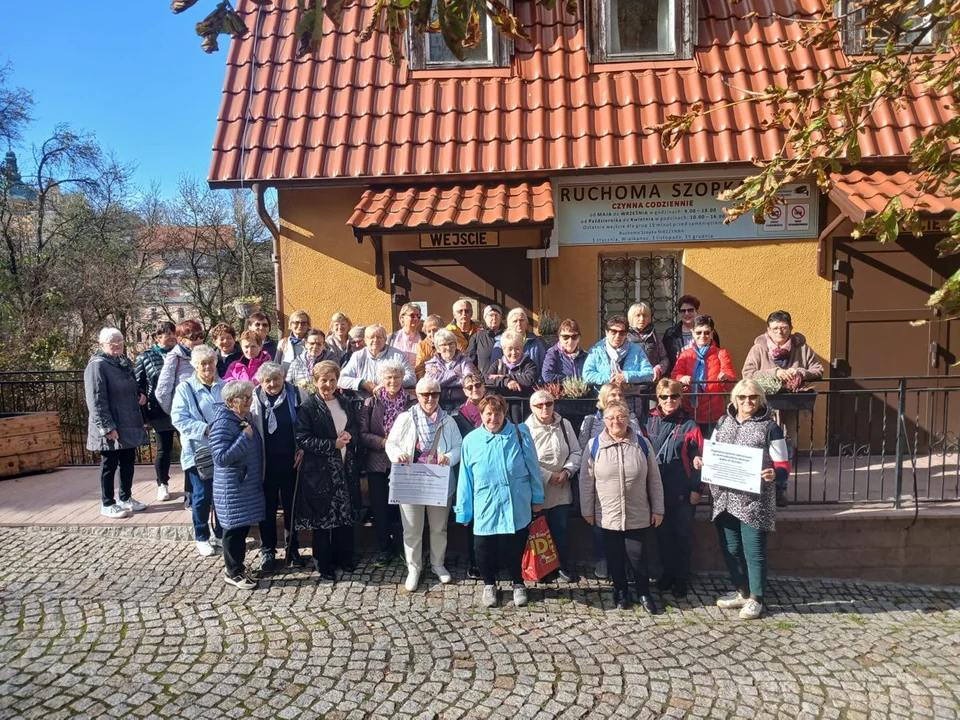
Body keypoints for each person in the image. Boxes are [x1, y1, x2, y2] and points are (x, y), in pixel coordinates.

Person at [694, 379, 790, 620]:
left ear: (760, 400)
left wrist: (774, 474)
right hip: (724, 497)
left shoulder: (770, 427)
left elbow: (783, 466)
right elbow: (711, 452)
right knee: (731, 548)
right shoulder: (723, 421)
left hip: (754, 500)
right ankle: (742, 591)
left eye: (753, 398)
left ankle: (757, 598)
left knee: (753, 550)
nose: (747, 402)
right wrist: (701, 462)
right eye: (742, 397)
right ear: (734, 399)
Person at [456, 394, 544, 608]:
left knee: (515, 544)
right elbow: (465, 478)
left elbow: (533, 466)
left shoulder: (520, 433)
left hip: (516, 500)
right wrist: (464, 510)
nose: (493, 418)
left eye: (498, 413)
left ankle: (518, 582)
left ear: (505, 413)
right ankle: (489, 584)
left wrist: (537, 497)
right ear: (481, 415)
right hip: (485, 501)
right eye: (488, 414)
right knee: (483, 546)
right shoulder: (470, 441)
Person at [580, 401, 664, 613]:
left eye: (621, 417)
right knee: (614, 556)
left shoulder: (642, 443)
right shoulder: (594, 445)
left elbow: (654, 479)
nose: (616, 421)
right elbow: (586, 481)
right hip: (607, 513)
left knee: (638, 556)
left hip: (637, 512)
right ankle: (621, 592)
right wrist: (587, 510)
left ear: (628, 419)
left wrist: (658, 508)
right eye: (611, 418)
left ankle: (644, 593)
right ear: (604, 421)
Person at [385, 377, 463, 591]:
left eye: (434, 394)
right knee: (411, 529)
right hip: (411, 479)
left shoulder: (448, 420)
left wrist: (448, 456)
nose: (430, 398)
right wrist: (398, 454)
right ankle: (414, 568)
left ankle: (438, 564)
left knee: (439, 527)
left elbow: (459, 446)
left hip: (438, 482)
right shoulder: (405, 418)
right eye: (425, 394)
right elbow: (391, 443)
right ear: (417, 396)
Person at [742, 310, 824, 507]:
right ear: (768, 330)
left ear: (790, 329)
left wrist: (800, 371)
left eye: (784, 328)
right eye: (775, 328)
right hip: (764, 408)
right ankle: (761, 491)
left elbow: (818, 370)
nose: (780, 331)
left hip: (790, 407)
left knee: (785, 448)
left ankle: (781, 489)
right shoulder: (758, 348)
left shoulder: (802, 348)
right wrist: (775, 373)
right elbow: (747, 373)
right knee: (762, 448)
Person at [294, 360, 363, 581]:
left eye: (332, 380)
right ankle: (324, 564)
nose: (328, 384)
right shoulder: (308, 407)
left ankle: (345, 558)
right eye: (323, 380)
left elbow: (354, 426)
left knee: (345, 515)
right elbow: (303, 438)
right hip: (320, 470)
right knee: (323, 519)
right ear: (315, 382)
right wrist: (331, 444)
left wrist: (349, 435)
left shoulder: (345, 401)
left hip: (345, 466)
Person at [645, 378, 703, 598]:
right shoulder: (648, 421)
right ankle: (666, 574)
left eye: (674, 396)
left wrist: (697, 488)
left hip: (682, 490)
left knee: (682, 536)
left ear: (681, 397)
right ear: (657, 399)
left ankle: (681, 577)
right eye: (664, 397)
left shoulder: (690, 425)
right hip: (657, 489)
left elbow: (699, 457)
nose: (670, 400)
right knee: (662, 536)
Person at [85, 328, 150, 519]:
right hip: (111, 423)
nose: (116, 345)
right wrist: (106, 427)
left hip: (128, 421)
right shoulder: (97, 365)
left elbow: (129, 386)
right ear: (102, 344)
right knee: (109, 464)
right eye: (112, 341)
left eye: (119, 341)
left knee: (128, 461)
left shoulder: (123, 362)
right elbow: (96, 399)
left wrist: (139, 396)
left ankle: (125, 498)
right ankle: (107, 502)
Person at [209, 380, 266, 589]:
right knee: (233, 530)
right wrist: (244, 437)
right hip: (232, 487)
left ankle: (238, 568)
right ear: (231, 401)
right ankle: (233, 572)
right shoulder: (223, 423)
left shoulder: (242, 418)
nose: (250, 401)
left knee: (240, 529)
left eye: (250, 397)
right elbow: (221, 457)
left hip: (244, 486)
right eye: (245, 398)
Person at [360, 360, 414, 568]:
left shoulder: (411, 402)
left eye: (396, 377)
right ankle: (384, 548)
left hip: (403, 462)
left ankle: (403, 548)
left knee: (402, 509)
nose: (392, 381)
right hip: (378, 461)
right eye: (388, 377)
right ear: (382, 380)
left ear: (402, 379)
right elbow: (363, 434)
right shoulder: (371, 403)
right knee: (380, 508)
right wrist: (384, 443)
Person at [171, 345, 224, 557]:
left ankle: (221, 533)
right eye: (203, 363)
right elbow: (179, 419)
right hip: (198, 451)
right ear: (194, 365)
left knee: (221, 495)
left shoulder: (225, 385)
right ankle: (201, 536)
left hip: (221, 450)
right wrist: (205, 429)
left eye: (211, 362)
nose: (208, 367)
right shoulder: (185, 389)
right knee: (202, 496)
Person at [250, 362, 304, 572]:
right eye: (267, 381)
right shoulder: (253, 397)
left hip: (291, 462)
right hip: (264, 464)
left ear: (284, 378)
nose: (272, 384)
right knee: (267, 509)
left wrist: (303, 448)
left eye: (276, 379)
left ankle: (293, 549)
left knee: (292, 508)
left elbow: (305, 424)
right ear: (260, 381)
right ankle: (268, 551)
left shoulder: (296, 394)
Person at [524, 389, 582, 583]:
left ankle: (561, 565)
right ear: (532, 408)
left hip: (561, 486)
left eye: (548, 404)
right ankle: (543, 567)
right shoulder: (526, 429)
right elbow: (526, 460)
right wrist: (548, 475)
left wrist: (567, 471)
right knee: (539, 532)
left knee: (560, 530)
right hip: (539, 488)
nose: (544, 408)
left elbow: (576, 452)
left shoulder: (564, 425)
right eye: (539, 405)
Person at [672, 314, 737, 435]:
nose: (703, 336)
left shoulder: (721, 353)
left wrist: (726, 378)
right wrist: (681, 378)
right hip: (690, 411)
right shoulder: (686, 354)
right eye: (699, 332)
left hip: (714, 413)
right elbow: (675, 375)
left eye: (707, 332)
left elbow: (731, 383)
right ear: (692, 332)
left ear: (712, 332)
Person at [135, 320, 178, 502]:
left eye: (173, 333)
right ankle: (162, 483)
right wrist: (144, 416)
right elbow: (139, 388)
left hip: (182, 408)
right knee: (164, 450)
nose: (171, 337)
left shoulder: (181, 354)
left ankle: (191, 487)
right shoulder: (145, 357)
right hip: (158, 410)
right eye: (167, 334)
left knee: (190, 448)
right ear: (157, 337)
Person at [451, 372, 487, 579]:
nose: (475, 389)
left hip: (490, 471)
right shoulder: (456, 416)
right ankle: (474, 561)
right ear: (464, 391)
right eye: (470, 387)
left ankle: (492, 558)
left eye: (478, 385)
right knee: (471, 519)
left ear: (484, 387)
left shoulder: (493, 410)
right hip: (468, 473)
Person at [339, 324, 416, 397]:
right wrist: (363, 383)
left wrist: (387, 384)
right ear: (365, 340)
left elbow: (411, 378)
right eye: (371, 337)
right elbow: (341, 379)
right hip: (363, 403)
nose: (375, 340)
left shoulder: (397, 355)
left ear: (385, 339)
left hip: (391, 401)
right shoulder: (358, 356)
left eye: (379, 337)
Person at [582, 315, 654, 392]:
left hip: (630, 399)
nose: (617, 336)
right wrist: (611, 378)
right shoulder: (596, 350)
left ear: (626, 334)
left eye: (622, 333)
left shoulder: (636, 350)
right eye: (613, 332)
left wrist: (626, 376)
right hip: (604, 399)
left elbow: (649, 374)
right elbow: (587, 375)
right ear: (606, 332)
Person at [155, 319, 205, 417]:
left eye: (201, 336)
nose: (198, 340)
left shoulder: (207, 354)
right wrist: (178, 413)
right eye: (193, 337)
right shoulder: (174, 357)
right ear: (181, 340)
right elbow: (162, 392)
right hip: (189, 417)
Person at [663, 295, 721, 373]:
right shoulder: (670, 334)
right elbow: (665, 358)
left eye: (690, 310)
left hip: (704, 375)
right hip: (678, 377)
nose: (686, 314)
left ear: (696, 311)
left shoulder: (709, 332)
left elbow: (716, 356)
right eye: (683, 311)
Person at [489, 308, 548, 375]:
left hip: (532, 383)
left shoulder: (536, 343)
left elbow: (544, 368)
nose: (519, 323)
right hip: (507, 383)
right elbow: (495, 371)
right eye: (515, 321)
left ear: (527, 323)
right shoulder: (500, 344)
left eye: (521, 320)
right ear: (509, 324)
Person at [424, 328, 476, 402]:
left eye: (451, 343)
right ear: (437, 348)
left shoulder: (465, 361)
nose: (448, 348)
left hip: (461, 402)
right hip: (438, 403)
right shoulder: (431, 364)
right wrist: (454, 373)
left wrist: (441, 378)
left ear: (456, 345)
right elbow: (431, 384)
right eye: (444, 344)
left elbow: (469, 381)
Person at [486, 330, 539, 396]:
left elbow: (530, 379)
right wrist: (507, 381)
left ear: (522, 348)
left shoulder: (529, 364)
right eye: (510, 349)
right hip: (501, 404)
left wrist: (504, 376)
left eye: (517, 348)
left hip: (523, 405)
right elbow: (488, 379)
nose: (513, 353)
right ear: (503, 350)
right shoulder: (498, 364)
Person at [627, 302, 669, 382]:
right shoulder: (625, 336)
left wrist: (659, 368)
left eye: (644, 315)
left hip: (652, 382)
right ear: (631, 317)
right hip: (633, 383)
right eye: (638, 315)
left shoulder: (654, 335)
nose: (642, 319)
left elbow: (664, 358)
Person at [540, 318, 587, 384]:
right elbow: (547, 375)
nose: (570, 341)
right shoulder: (553, 353)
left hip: (583, 392)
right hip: (561, 392)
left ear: (578, 338)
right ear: (559, 337)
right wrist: (571, 381)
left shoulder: (584, 356)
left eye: (574, 337)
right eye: (565, 337)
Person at [467, 304, 504, 376]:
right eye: (491, 315)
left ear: (501, 318)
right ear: (485, 318)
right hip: (484, 382)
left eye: (496, 315)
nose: (494, 318)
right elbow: (469, 360)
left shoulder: (508, 335)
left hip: (505, 381)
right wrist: (479, 376)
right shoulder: (477, 337)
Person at [388, 303, 425, 369]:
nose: (416, 318)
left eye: (418, 316)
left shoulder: (424, 337)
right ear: (402, 318)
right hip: (397, 377)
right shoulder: (392, 338)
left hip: (419, 376)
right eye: (412, 315)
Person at [415, 314, 444, 379]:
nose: (432, 334)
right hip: (429, 380)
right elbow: (419, 368)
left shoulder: (450, 341)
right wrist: (424, 381)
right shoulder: (422, 346)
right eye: (429, 331)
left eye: (435, 330)